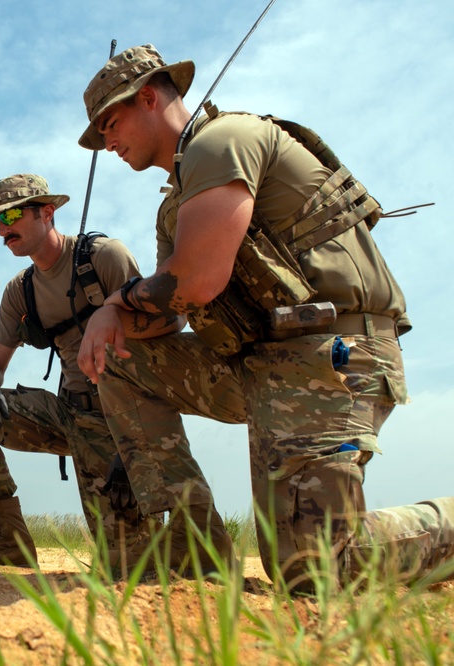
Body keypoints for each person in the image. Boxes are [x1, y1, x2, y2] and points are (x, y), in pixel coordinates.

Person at [75, 44, 454, 590]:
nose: (106, 142)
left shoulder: (222, 142)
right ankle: (193, 560)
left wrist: (114, 302)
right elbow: (172, 314)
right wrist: (114, 322)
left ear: (150, 98)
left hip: (332, 357)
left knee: (316, 572)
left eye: (110, 122)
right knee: (122, 361)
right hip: (259, 365)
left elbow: (197, 279)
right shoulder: (175, 203)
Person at [0, 173, 232, 574]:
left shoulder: (102, 257)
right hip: (69, 415)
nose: (3, 229)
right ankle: (11, 541)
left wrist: (132, 451)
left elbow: (165, 326)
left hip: (126, 416)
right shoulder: (19, 292)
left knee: (127, 569)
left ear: (47, 212)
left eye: (10, 216)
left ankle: (206, 560)